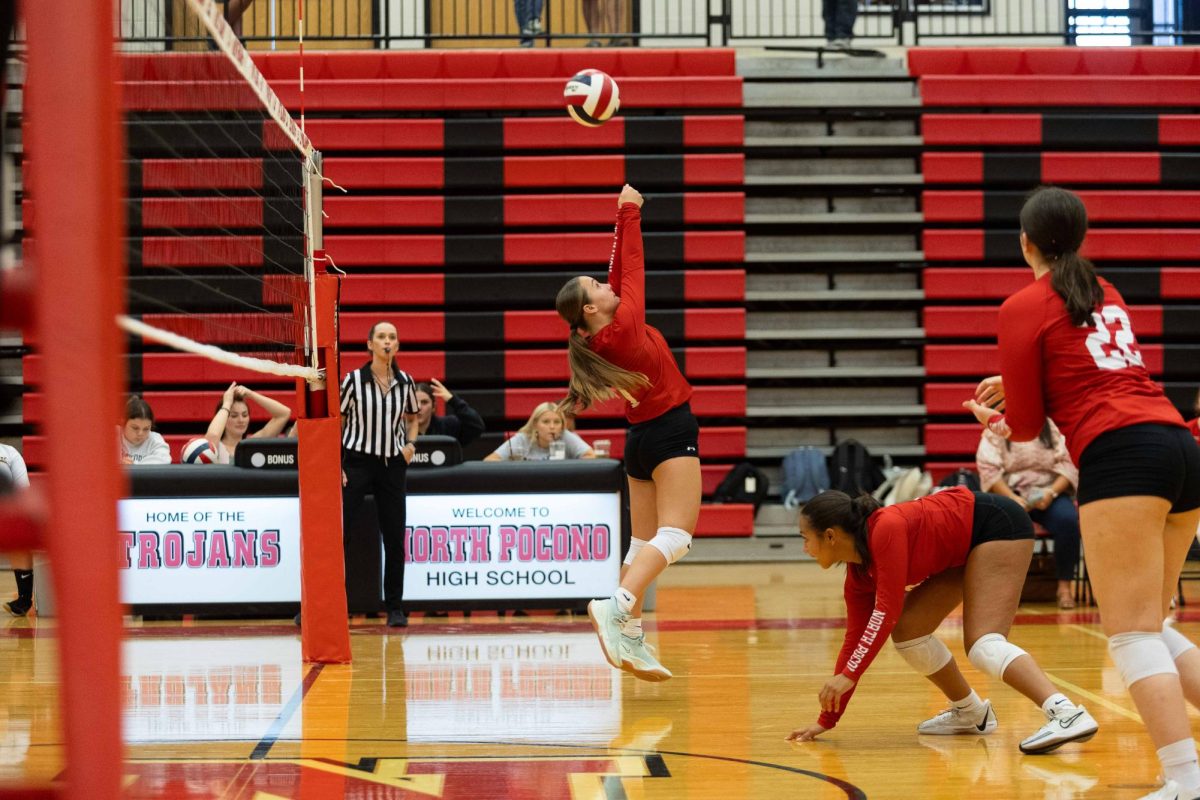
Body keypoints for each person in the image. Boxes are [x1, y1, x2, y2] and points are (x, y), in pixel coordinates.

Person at [962, 186, 1200, 800]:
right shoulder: (1104, 291)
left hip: (1124, 456)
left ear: (1025, 244)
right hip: (1177, 442)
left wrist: (988, 416)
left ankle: (1185, 780)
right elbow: (1091, 371)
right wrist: (1016, 383)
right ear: (1082, 238)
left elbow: (1024, 427)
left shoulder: (1022, 303)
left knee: (1131, 635)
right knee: (1156, 624)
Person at [786, 488, 1099, 754]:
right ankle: (971, 713)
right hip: (961, 551)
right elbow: (854, 641)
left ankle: (1065, 713)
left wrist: (849, 675)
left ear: (829, 536)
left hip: (995, 525)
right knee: (909, 634)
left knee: (983, 645)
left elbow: (887, 610)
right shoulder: (858, 577)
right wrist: (825, 721)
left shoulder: (885, 528)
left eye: (805, 538)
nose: (804, 549)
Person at [556, 183, 698, 682]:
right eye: (595, 286)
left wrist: (620, 216)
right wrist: (630, 212)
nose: (604, 284)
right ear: (591, 310)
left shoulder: (600, 331)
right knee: (677, 535)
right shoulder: (627, 326)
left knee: (642, 546)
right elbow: (633, 271)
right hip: (669, 430)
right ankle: (616, 604)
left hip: (640, 439)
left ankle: (631, 637)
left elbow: (617, 274)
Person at [338, 321, 420, 628]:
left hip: (392, 465)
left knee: (395, 537)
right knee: (338, 535)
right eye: (381, 337)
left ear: (397, 346)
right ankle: (318, 606)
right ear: (370, 344)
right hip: (357, 462)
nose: (387, 342)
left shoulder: (407, 382)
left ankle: (395, 607)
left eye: (392, 337)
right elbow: (338, 421)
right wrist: (337, 463)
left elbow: (413, 418)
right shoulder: (353, 381)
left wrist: (411, 444)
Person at [975, 418, 1081, 609]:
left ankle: (1064, 587)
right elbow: (989, 469)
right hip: (1011, 492)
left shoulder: (1054, 427)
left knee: (1068, 521)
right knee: (1005, 526)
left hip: (1049, 492)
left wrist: (1051, 492)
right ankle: (1006, 591)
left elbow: (1069, 463)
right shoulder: (996, 429)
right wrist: (1012, 498)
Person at [203, 381, 292, 464]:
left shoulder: (253, 444)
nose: (241, 420)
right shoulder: (215, 447)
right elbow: (212, 436)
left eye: (245, 415)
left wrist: (251, 394)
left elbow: (284, 414)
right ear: (224, 418)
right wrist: (226, 403)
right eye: (234, 416)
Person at [484, 402, 594, 461]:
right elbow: (489, 461)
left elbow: (591, 456)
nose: (552, 427)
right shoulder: (523, 438)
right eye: (546, 422)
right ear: (535, 424)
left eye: (557, 422)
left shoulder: (565, 436)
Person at [0, 444, 31, 616]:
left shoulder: (9, 452)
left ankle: (24, 600)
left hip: (5, 512)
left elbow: (23, 490)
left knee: (21, 530)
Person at [415, 379, 485, 447]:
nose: (419, 407)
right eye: (414, 402)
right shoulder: (403, 432)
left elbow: (477, 426)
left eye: (424, 402)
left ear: (433, 407)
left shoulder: (448, 426)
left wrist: (453, 401)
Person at [119, 395, 170, 465]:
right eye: (135, 428)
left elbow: (164, 461)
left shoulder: (155, 439)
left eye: (146, 429)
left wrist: (134, 465)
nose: (140, 433)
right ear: (123, 424)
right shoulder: (111, 435)